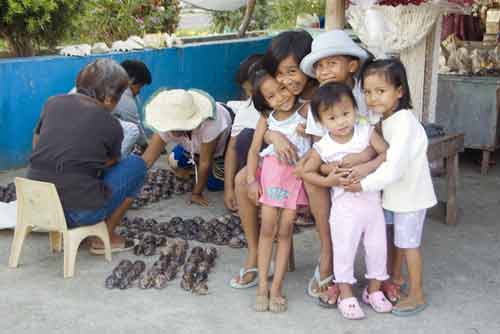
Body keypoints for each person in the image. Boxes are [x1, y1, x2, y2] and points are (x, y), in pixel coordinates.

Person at [27, 59, 150, 253]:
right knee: (137, 165)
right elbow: (110, 163)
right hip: (78, 213)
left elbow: (37, 142)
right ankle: (104, 237)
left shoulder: (53, 102)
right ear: (110, 99)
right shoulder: (111, 124)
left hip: (36, 205)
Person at [345, 58, 437, 316]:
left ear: (400, 91)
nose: (373, 98)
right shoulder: (388, 119)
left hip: (411, 197)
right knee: (399, 241)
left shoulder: (404, 123)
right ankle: (395, 279)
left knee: (409, 245)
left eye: (380, 91)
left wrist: (362, 184)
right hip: (398, 195)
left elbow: (394, 167)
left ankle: (417, 294)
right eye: (368, 91)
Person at [230, 30, 319, 291]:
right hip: (278, 165)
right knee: (240, 181)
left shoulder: (318, 95)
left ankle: (328, 265)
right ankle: (255, 254)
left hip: (309, 166)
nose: (285, 81)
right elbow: (259, 128)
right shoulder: (274, 95)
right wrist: (273, 135)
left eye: (292, 71)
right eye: (280, 73)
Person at [301, 82, 392, 319]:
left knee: (377, 248)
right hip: (344, 210)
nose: (341, 122)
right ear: (321, 123)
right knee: (344, 249)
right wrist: (329, 181)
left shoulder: (366, 132)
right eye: (332, 118)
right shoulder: (323, 146)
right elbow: (304, 172)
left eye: (346, 114)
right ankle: (346, 294)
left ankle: (373, 291)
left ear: (355, 110)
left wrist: (366, 166)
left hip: (372, 205)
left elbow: (386, 153)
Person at [247, 70, 310, 313]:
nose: (281, 97)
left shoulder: (306, 111)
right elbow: (254, 150)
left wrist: (310, 132)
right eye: (271, 96)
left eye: (282, 89)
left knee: (285, 232)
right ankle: (263, 286)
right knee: (267, 229)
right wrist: (252, 180)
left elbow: (320, 138)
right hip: (272, 176)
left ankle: (277, 288)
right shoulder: (267, 118)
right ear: (265, 102)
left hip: (294, 179)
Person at [142, 88, 233, 207]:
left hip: (219, 149)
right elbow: (147, 159)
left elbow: (205, 162)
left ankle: (207, 172)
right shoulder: (165, 121)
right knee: (175, 161)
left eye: (177, 128)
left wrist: (196, 193)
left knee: (213, 184)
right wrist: (129, 186)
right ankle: (195, 169)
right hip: (194, 148)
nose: (172, 132)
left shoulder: (211, 123)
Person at [224, 53, 264, 212]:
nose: (251, 95)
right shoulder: (246, 110)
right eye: (247, 91)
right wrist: (229, 189)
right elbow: (232, 149)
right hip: (256, 165)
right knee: (246, 136)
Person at [114, 60, 152, 150]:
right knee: (132, 130)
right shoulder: (125, 96)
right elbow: (135, 127)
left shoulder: (111, 83)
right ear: (131, 80)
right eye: (140, 86)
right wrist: (146, 146)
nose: (139, 91)